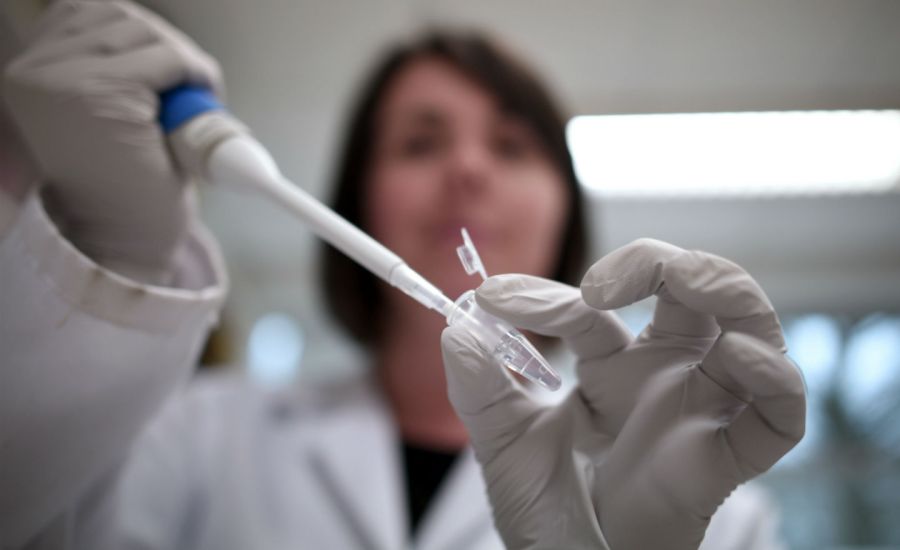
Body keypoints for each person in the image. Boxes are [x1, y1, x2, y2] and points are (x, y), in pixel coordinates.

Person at [0, 1, 805, 549]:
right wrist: (116, 254)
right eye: (420, 143)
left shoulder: (698, 501)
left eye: (512, 146)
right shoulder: (201, 435)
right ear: (359, 204)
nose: (466, 169)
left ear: (566, 208)